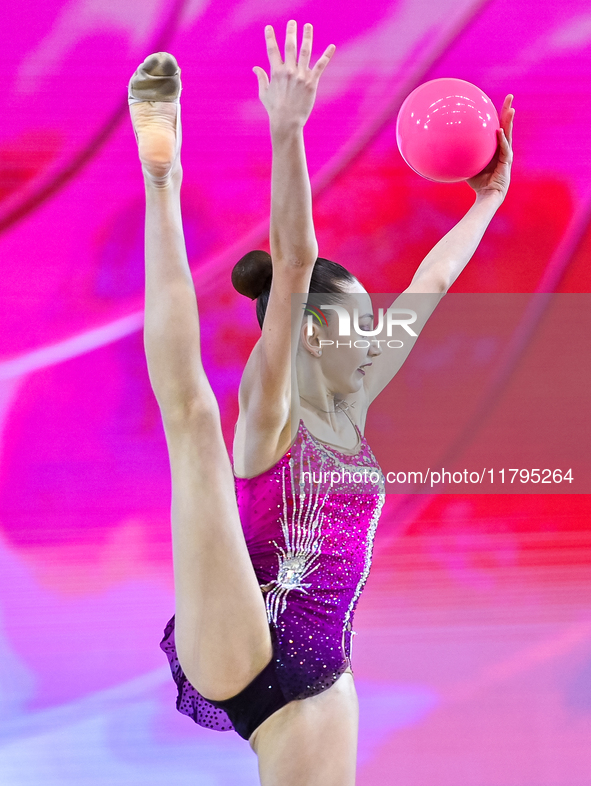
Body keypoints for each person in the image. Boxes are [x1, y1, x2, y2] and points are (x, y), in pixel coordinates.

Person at [128, 20, 514, 786]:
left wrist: (487, 202)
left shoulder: (353, 403)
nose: (375, 330)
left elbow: (430, 285)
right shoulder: (271, 407)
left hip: (318, 679)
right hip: (237, 640)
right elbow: (295, 258)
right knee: (198, 425)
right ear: (305, 335)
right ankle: (160, 178)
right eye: (357, 320)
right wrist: (287, 132)